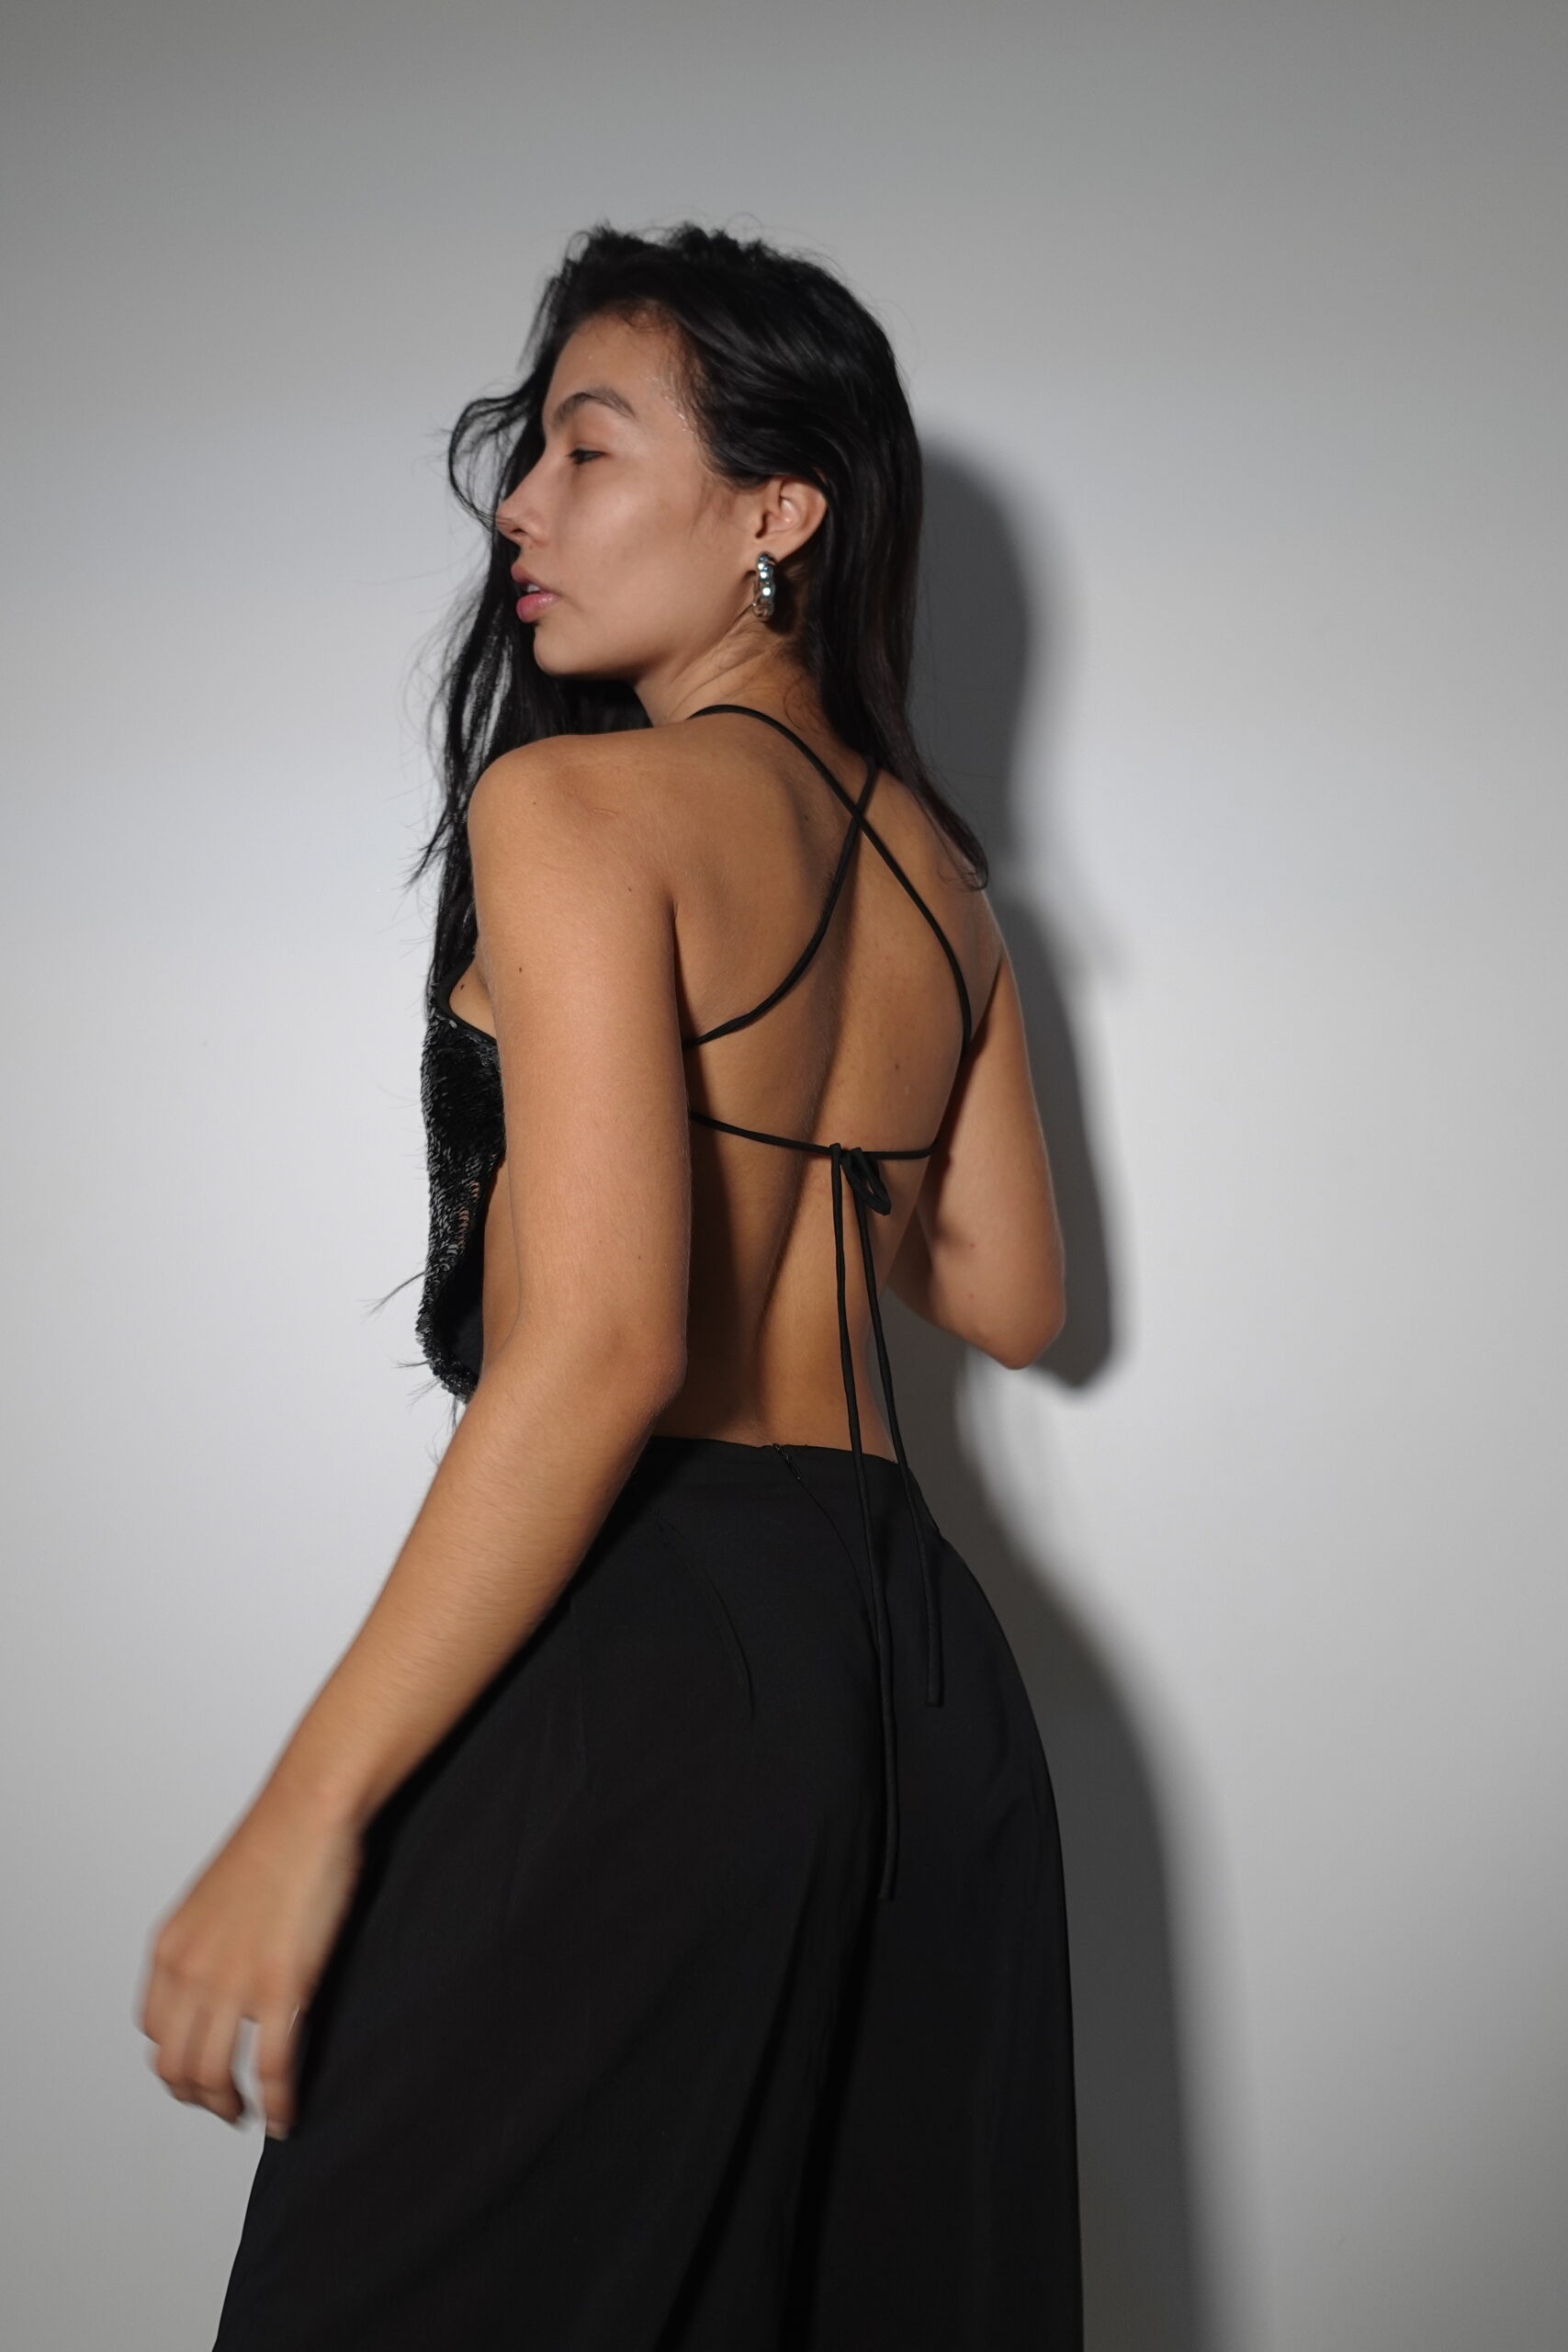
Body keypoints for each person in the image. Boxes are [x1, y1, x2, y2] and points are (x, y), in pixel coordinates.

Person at [138, 220, 1081, 2349]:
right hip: (920, 1680)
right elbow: (1008, 1293)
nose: (520, 507)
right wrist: (806, 1124)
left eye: (585, 448)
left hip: (655, 1640)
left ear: (775, 513)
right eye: (527, 454)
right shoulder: (943, 880)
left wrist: (299, 1815)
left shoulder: (573, 806)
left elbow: (601, 1350)